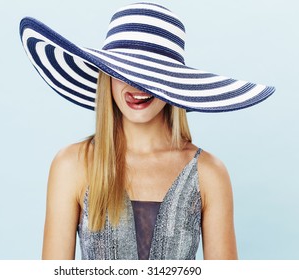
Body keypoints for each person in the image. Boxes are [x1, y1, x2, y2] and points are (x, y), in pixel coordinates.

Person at [19, 2, 274, 260]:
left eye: (151, 74)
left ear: (172, 82)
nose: (137, 85)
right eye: (124, 70)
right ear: (107, 75)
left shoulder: (209, 174)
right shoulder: (72, 165)